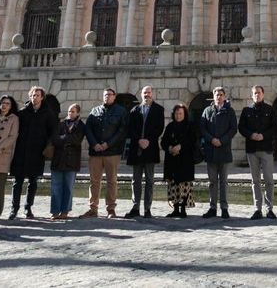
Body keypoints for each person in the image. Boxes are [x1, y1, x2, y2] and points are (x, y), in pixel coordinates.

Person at [11, 86, 57, 219]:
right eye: (32, 95)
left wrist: (48, 145)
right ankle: (14, 209)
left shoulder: (48, 113)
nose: (34, 97)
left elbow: (53, 131)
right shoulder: (23, 112)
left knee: (33, 181)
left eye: (37, 95)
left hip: (37, 152)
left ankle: (28, 207)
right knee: (17, 181)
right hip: (21, 151)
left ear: (42, 97)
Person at [84, 88, 127, 218]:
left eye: (109, 95)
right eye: (105, 95)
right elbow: (88, 129)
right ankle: (93, 209)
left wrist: (108, 144)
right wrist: (94, 144)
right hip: (96, 152)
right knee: (94, 181)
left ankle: (111, 209)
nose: (107, 97)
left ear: (114, 96)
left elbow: (122, 131)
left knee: (112, 181)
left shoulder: (121, 111)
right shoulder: (95, 110)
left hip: (112, 152)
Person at [239, 85, 277, 220]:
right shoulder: (246, 110)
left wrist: (263, 136)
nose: (257, 95)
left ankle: (269, 209)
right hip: (252, 149)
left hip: (266, 149)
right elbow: (241, 127)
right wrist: (251, 135)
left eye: (259, 93)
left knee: (269, 180)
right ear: (252, 95)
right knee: (255, 181)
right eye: (254, 93)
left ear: (263, 94)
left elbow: (275, 127)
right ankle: (257, 209)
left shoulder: (270, 109)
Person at [126, 86, 165, 218]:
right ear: (141, 94)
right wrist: (139, 140)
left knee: (149, 180)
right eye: (144, 93)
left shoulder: (158, 109)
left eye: (148, 92)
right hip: (136, 149)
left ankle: (147, 209)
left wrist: (148, 140)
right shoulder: (134, 110)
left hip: (150, 148)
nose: (146, 95)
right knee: (135, 180)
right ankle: (135, 207)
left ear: (152, 94)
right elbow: (130, 128)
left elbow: (159, 128)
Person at [199, 86, 237, 218]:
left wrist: (222, 140)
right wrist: (212, 139)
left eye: (221, 94)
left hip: (224, 151)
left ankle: (224, 208)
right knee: (212, 182)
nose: (219, 97)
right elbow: (202, 128)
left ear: (224, 96)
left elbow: (233, 129)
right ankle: (212, 208)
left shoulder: (230, 111)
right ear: (213, 96)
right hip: (211, 151)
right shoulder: (207, 111)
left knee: (223, 182)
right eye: (216, 94)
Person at [160, 103, 196, 218]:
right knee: (173, 185)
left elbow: (193, 141)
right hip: (172, 160)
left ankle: (183, 209)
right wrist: (170, 148)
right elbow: (163, 142)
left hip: (185, 160)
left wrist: (180, 147)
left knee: (184, 185)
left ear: (184, 114)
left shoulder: (190, 126)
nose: (178, 115)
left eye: (180, 113)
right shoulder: (170, 126)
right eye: (176, 113)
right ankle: (175, 209)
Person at [50, 103, 85, 220]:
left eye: (73, 111)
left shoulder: (81, 125)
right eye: (69, 111)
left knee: (68, 187)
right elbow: (54, 139)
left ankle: (65, 211)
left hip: (72, 161)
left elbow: (77, 140)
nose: (70, 113)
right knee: (56, 187)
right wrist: (66, 139)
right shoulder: (60, 123)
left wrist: (63, 137)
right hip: (58, 159)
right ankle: (55, 211)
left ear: (78, 113)